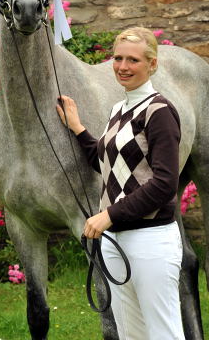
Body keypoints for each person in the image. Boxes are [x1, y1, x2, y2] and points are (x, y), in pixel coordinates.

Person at [56, 26, 185, 340]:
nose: (123, 67)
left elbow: (165, 183)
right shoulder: (119, 109)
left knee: (163, 332)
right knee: (131, 334)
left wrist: (109, 215)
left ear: (152, 64)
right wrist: (78, 129)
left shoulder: (160, 112)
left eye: (133, 60)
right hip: (116, 243)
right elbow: (107, 164)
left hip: (151, 241)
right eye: (118, 58)